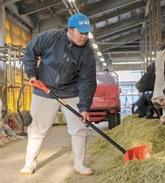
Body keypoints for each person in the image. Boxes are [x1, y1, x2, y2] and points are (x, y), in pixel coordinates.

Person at [20, 13, 97, 176]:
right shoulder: (49, 37)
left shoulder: (87, 52)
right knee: (38, 129)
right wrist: (32, 74)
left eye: (87, 33)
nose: (85, 36)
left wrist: (84, 108)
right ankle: (29, 164)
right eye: (81, 32)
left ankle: (79, 164)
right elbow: (30, 53)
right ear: (70, 30)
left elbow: (87, 81)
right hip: (44, 89)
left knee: (79, 128)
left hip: (71, 91)